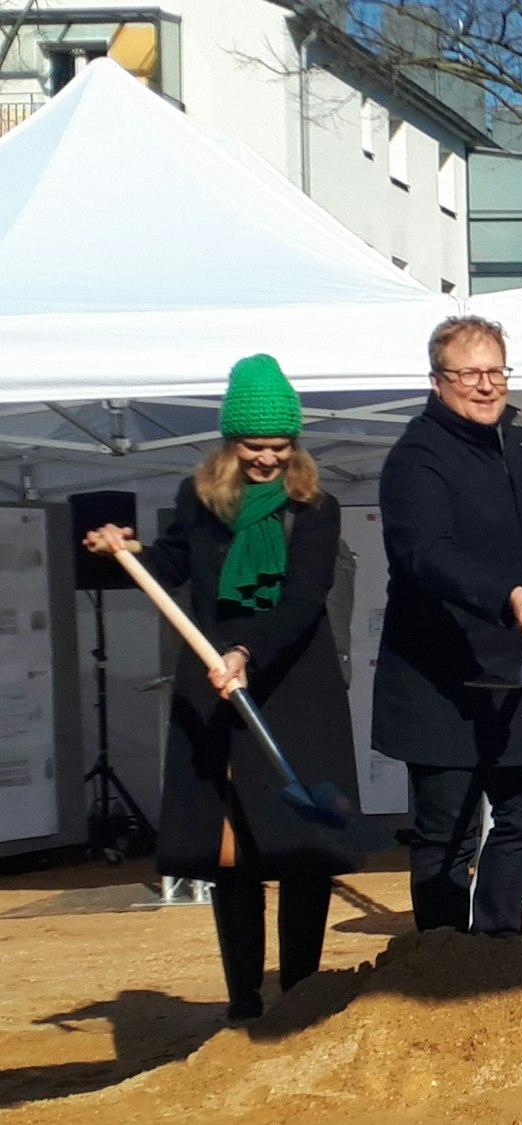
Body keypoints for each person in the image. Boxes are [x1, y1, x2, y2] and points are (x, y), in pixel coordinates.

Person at [84, 356, 362, 1021]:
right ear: (229, 442)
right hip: (215, 684)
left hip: (294, 683)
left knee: (302, 849)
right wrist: (127, 552)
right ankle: (243, 1002)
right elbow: (173, 563)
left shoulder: (316, 508)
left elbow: (304, 598)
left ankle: (300, 991)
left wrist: (247, 650)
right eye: (253, 446)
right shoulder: (198, 499)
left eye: (279, 446)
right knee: (232, 850)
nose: (267, 459)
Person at [374, 316, 522, 937]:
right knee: (447, 834)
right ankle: (442, 964)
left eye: (497, 372)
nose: (487, 386)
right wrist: (508, 594)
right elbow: (425, 555)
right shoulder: (415, 458)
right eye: (470, 374)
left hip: (513, 672)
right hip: (441, 677)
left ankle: (494, 947)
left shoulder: (518, 444)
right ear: (438, 381)